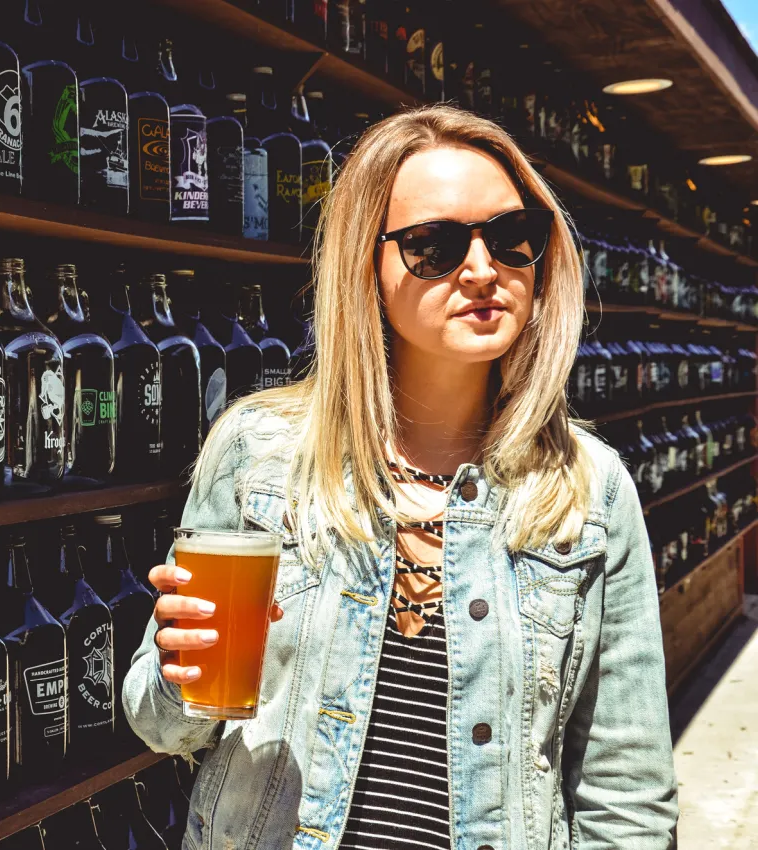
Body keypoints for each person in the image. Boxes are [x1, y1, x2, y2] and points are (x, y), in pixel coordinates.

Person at [122, 104, 678, 850]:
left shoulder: (588, 487)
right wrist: (180, 669)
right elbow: (161, 726)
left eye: (512, 236)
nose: (484, 269)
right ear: (367, 267)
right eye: (434, 246)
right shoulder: (259, 453)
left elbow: (628, 799)